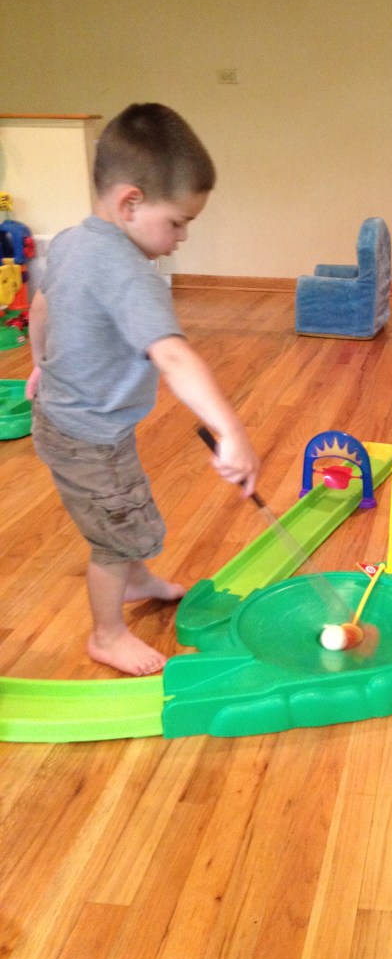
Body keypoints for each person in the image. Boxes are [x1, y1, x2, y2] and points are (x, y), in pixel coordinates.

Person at [26, 103, 259, 677]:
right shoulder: (131, 275)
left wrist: (39, 364)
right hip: (89, 435)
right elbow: (173, 356)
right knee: (117, 531)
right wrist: (231, 431)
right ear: (130, 203)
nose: (182, 237)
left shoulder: (71, 241)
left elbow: (42, 304)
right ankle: (107, 634)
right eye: (177, 222)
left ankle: (136, 580)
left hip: (74, 420)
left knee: (125, 512)